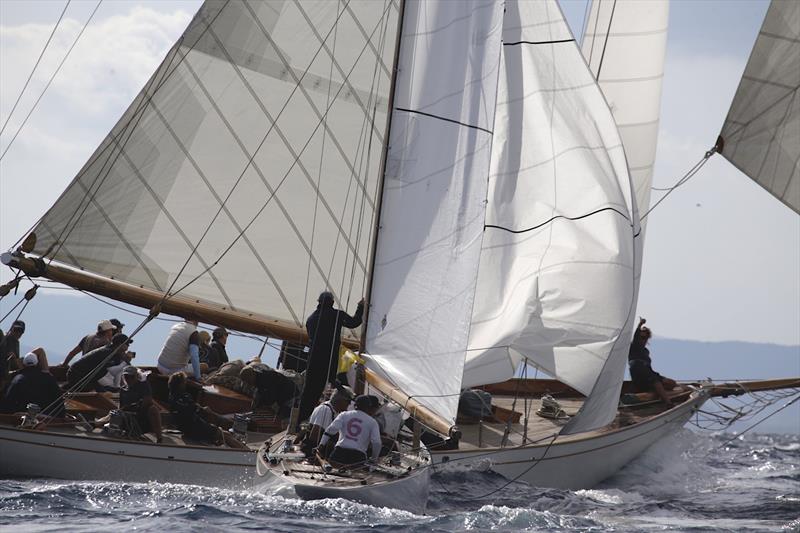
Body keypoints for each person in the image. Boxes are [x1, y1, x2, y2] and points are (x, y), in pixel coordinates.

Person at [299, 292, 364, 422]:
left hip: (313, 359)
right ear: (332, 302)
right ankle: (346, 412)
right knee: (337, 384)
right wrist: (361, 307)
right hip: (329, 358)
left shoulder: (311, 319)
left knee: (310, 392)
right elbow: (354, 322)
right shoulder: (336, 314)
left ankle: (301, 420)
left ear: (319, 302)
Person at [167, 372, 246, 448]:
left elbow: (189, 409)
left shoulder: (172, 397)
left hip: (185, 428)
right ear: (180, 384)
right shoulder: (184, 397)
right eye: (184, 382)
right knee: (226, 435)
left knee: (222, 433)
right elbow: (193, 410)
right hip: (194, 428)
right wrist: (204, 410)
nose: (186, 383)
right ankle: (248, 454)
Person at [317, 394, 381, 468]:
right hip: (358, 457)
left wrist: (320, 445)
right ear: (368, 407)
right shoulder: (372, 422)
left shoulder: (343, 415)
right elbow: (376, 442)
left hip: (339, 453)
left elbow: (330, 430)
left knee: (332, 474)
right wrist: (374, 459)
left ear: (355, 405)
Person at [1, 350, 64, 417]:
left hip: (21, 416)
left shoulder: (17, 379)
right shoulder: (50, 378)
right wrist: (62, 416)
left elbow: (8, 401)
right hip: (45, 418)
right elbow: (59, 400)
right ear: (36, 364)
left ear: (24, 364)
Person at [628, 318, 677, 404]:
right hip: (638, 372)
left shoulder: (646, 351)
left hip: (648, 372)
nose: (643, 339)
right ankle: (668, 403)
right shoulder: (634, 346)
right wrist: (640, 324)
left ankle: (655, 392)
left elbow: (649, 368)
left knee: (672, 383)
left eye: (645, 337)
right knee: (655, 382)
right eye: (641, 337)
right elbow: (636, 336)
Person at [66, 333, 132, 392]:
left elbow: (121, 368)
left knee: (111, 390)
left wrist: (125, 360)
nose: (128, 347)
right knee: (102, 392)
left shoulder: (114, 352)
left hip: (89, 378)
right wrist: (126, 361)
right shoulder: (107, 353)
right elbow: (114, 372)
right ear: (120, 344)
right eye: (127, 344)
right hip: (78, 376)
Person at [299, 387, 351, 457]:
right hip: (313, 454)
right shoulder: (326, 410)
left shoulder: (333, 412)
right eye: (348, 402)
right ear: (341, 400)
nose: (349, 405)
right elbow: (314, 437)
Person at [119, 366, 162, 443]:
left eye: (131, 377)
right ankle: (97, 424)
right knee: (115, 413)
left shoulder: (144, 386)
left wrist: (135, 408)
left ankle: (159, 438)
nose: (128, 379)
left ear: (136, 376)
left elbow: (147, 401)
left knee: (153, 409)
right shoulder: (122, 390)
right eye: (126, 376)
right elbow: (121, 406)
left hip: (141, 417)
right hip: (127, 417)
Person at [0, 320, 25, 387]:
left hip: (9, 368)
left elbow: (15, 362)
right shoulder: (4, 337)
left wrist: (15, 358)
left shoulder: (16, 343)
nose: (18, 333)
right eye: (16, 329)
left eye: (21, 331)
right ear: (11, 328)